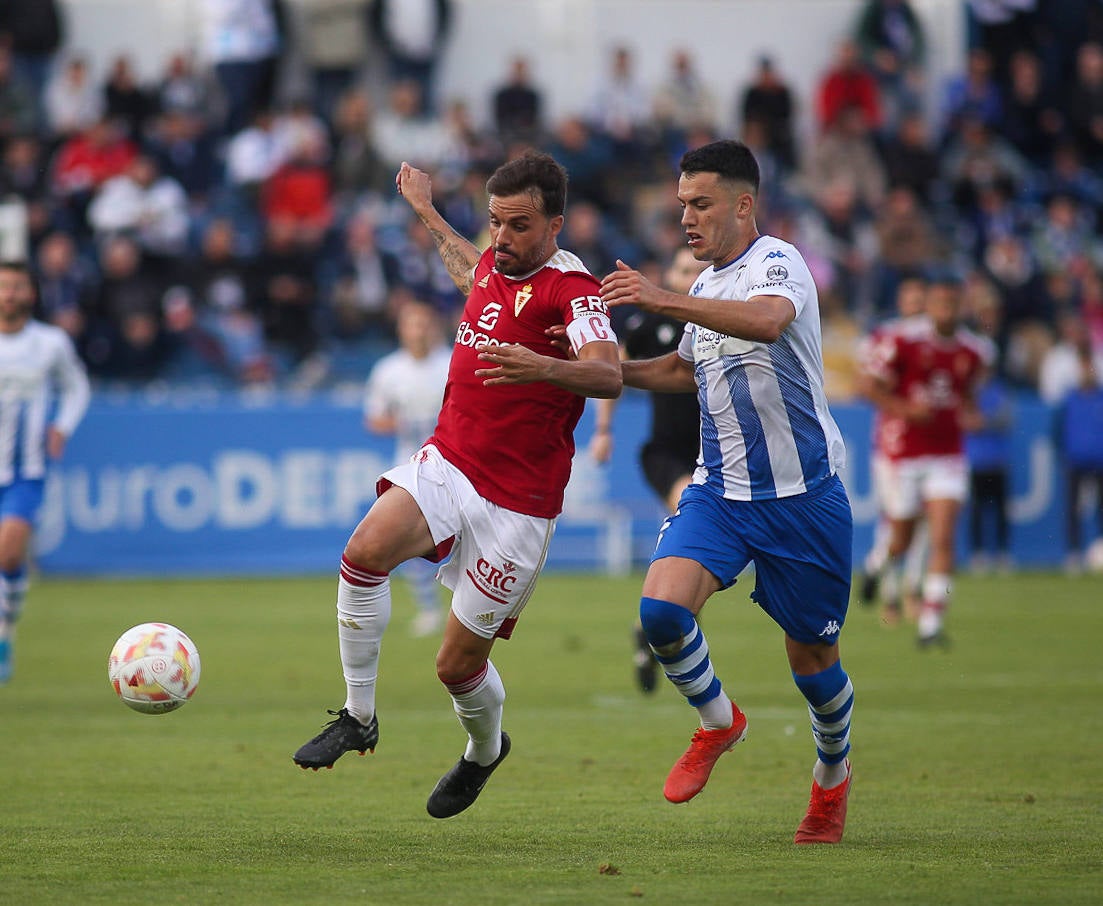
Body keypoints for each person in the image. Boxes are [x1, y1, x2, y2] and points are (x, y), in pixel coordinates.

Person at [292, 152, 622, 820]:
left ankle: (484, 750)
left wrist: (539, 365)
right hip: (449, 462)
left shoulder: (572, 290)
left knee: (456, 667)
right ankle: (358, 716)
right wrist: (424, 207)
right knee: (363, 553)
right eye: (495, 222)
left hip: (518, 504)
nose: (502, 237)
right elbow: (467, 267)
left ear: (555, 225)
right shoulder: (495, 264)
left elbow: (608, 372)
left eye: (519, 225)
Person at [599, 140, 855, 844]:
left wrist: (661, 296)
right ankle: (719, 721)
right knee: (660, 612)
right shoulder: (705, 289)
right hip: (719, 493)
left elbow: (768, 321)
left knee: (813, 665)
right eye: (682, 204)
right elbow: (680, 371)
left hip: (803, 497)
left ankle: (831, 776)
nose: (686, 217)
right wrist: (587, 371)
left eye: (700, 204)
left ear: (743, 205)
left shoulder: (778, 262)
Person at [590, 246, 706, 694]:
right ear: (669, 276)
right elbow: (610, 372)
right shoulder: (649, 325)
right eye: (681, 269)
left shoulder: (723, 323)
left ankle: (656, 632)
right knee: (694, 518)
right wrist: (603, 430)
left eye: (696, 270)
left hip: (717, 458)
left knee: (699, 558)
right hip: (666, 455)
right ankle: (659, 621)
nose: (689, 276)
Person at [857, 270, 992, 647]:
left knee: (942, 536)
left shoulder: (974, 351)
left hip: (947, 453)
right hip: (904, 452)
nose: (946, 310)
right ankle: (876, 566)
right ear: (929, 305)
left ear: (961, 306)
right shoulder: (902, 341)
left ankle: (930, 624)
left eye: (953, 303)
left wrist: (971, 415)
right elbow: (867, 386)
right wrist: (904, 409)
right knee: (902, 536)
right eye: (940, 303)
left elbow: (966, 396)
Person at [0, 261, 91, 683]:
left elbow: (77, 387)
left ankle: (4, 629)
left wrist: (62, 426)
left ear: (31, 293)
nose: (9, 294)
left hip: (25, 470)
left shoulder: (50, 343)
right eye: (3, 287)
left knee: (9, 552)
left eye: (17, 286)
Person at [362, 300, 452, 637]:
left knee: (466, 536)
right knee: (406, 537)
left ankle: (468, 609)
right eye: (413, 324)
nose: (419, 331)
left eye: (424, 323)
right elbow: (374, 419)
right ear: (402, 330)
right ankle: (429, 609)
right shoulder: (388, 370)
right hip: (410, 466)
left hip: (456, 462)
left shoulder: (451, 362)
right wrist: (407, 423)